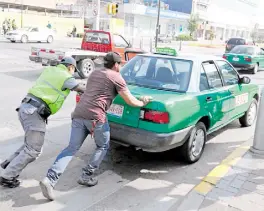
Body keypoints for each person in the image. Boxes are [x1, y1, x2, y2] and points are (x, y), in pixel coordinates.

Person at [39, 52, 152, 201]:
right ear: (116, 65)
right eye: (120, 64)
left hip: (79, 113)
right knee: (103, 146)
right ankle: (86, 175)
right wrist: (143, 102)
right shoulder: (116, 77)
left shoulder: (95, 73)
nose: (121, 66)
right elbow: (130, 100)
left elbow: (92, 91)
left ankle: (50, 179)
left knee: (71, 148)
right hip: (95, 117)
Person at [0, 57, 85, 188]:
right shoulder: (66, 77)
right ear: (70, 67)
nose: (73, 73)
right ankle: (7, 177)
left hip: (25, 108)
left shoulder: (50, 70)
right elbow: (81, 89)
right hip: (34, 113)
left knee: (29, 145)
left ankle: (8, 164)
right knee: (33, 150)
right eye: (74, 70)